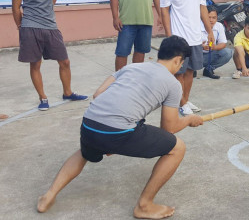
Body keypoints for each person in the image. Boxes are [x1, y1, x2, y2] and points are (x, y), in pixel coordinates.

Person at [36, 35, 203, 219]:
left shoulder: (131, 67)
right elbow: (168, 128)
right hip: (117, 132)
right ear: (178, 60)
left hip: (89, 124)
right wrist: (189, 120)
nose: (180, 68)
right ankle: (144, 205)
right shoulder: (173, 84)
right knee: (178, 148)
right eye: (181, 64)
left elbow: (98, 94)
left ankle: (49, 195)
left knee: (85, 152)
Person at [11, 0, 87, 111]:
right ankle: (43, 98)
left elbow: (51, 2)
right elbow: (16, 7)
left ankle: (67, 92)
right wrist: (20, 26)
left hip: (51, 26)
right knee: (35, 64)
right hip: (30, 27)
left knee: (65, 61)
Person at [160, 0, 214, 116]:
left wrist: (209, 31)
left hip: (195, 37)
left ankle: (186, 100)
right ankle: (182, 103)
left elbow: (203, 9)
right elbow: (164, 11)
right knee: (179, 73)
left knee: (191, 71)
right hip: (178, 37)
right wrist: (170, 36)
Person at [201, 5, 232, 79]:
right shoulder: (197, 26)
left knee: (227, 53)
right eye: (208, 17)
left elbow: (223, 44)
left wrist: (214, 47)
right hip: (197, 55)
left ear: (217, 18)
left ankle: (209, 69)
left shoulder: (219, 26)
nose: (211, 20)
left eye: (214, 17)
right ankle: (192, 69)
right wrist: (200, 46)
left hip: (210, 54)